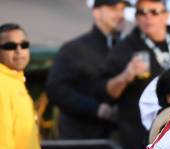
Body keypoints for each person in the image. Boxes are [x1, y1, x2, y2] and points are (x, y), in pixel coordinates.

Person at [101, 0, 170, 149]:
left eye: (154, 12)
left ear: (166, 15)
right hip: (139, 134)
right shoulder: (126, 47)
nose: (147, 17)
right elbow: (106, 93)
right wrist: (126, 75)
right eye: (141, 12)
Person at [45, 0, 128, 140]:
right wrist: (96, 109)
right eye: (113, 9)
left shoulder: (127, 49)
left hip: (121, 141)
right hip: (82, 143)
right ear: (96, 13)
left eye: (122, 9)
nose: (120, 14)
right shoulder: (74, 49)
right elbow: (55, 89)